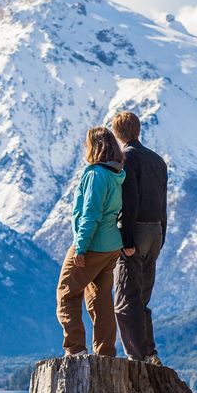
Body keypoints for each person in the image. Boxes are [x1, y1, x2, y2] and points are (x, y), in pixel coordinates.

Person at [56, 126, 126, 357]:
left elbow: (91, 213)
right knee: (100, 299)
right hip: (111, 246)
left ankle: (75, 349)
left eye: (87, 144)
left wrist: (81, 247)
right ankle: (105, 352)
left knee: (66, 293)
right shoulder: (117, 174)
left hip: (92, 245)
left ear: (95, 147)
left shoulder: (96, 174)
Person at [111, 111, 168, 365]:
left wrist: (127, 239)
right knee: (142, 298)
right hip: (156, 231)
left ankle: (138, 358)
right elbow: (163, 202)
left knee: (125, 299)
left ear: (117, 134)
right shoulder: (157, 161)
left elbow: (129, 199)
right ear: (138, 130)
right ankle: (150, 352)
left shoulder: (126, 158)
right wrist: (161, 236)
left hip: (136, 231)